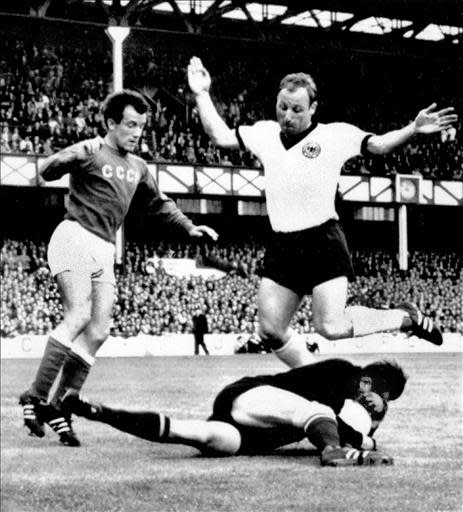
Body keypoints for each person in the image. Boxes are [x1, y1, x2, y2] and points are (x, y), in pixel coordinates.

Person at [187, 56, 458, 369]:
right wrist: (202, 94)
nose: (287, 115)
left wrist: (413, 128)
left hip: (322, 240)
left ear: (313, 109)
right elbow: (220, 136)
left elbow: (380, 145)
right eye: (282, 107)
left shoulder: (333, 136)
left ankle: (404, 317)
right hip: (282, 244)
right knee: (271, 330)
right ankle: (315, 378)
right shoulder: (263, 133)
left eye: (297, 109)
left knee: (330, 326)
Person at [19, 90, 219, 447]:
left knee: (99, 331)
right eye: (130, 124)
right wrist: (72, 153)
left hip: (103, 248)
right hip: (75, 235)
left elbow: (159, 204)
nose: (137, 131)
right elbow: (47, 171)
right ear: (111, 123)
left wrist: (189, 227)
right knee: (78, 315)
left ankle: (60, 406)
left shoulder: (138, 166)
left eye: (141, 125)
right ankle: (34, 397)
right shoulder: (92, 150)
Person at [61, 358, 407, 467]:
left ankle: (97, 411)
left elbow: (351, 430)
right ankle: (331, 453)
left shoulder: (350, 404)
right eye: (382, 395)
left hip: (251, 431)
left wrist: (372, 428)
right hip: (251, 396)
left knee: (199, 434)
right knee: (314, 411)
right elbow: (343, 427)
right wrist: (366, 439)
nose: (377, 403)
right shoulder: (343, 373)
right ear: (366, 383)